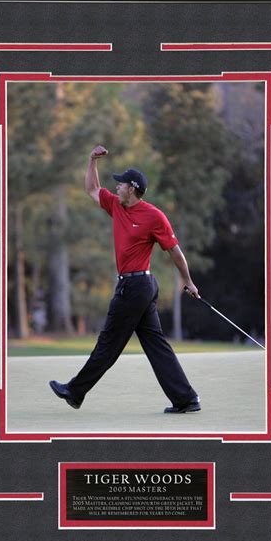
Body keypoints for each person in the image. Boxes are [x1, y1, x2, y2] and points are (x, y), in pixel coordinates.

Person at [49, 145, 201, 414]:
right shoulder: (116, 206)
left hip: (137, 287)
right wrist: (91, 160)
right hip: (136, 287)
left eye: (121, 184)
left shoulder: (154, 216)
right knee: (156, 345)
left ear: (132, 189)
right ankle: (185, 399)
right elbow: (92, 189)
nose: (116, 187)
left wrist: (188, 281)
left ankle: (75, 391)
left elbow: (175, 251)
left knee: (108, 343)